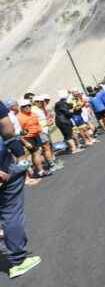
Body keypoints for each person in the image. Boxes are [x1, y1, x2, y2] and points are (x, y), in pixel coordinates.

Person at [0, 98, 42, 278]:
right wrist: (18, 154)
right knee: (11, 211)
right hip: (3, 168)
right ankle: (19, 260)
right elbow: (7, 128)